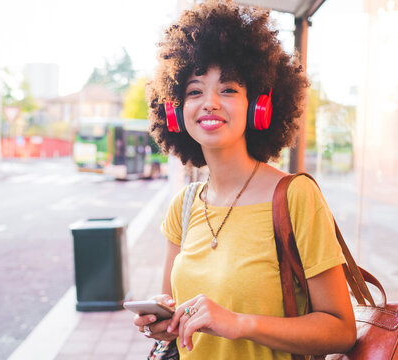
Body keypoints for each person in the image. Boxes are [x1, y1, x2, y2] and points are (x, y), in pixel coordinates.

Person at [134, 1, 356, 359]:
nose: (209, 103)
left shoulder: (295, 196)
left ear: (259, 105)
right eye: (194, 91)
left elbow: (341, 331)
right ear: (175, 111)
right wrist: (165, 321)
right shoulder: (184, 205)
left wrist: (239, 323)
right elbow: (178, 315)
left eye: (228, 89)